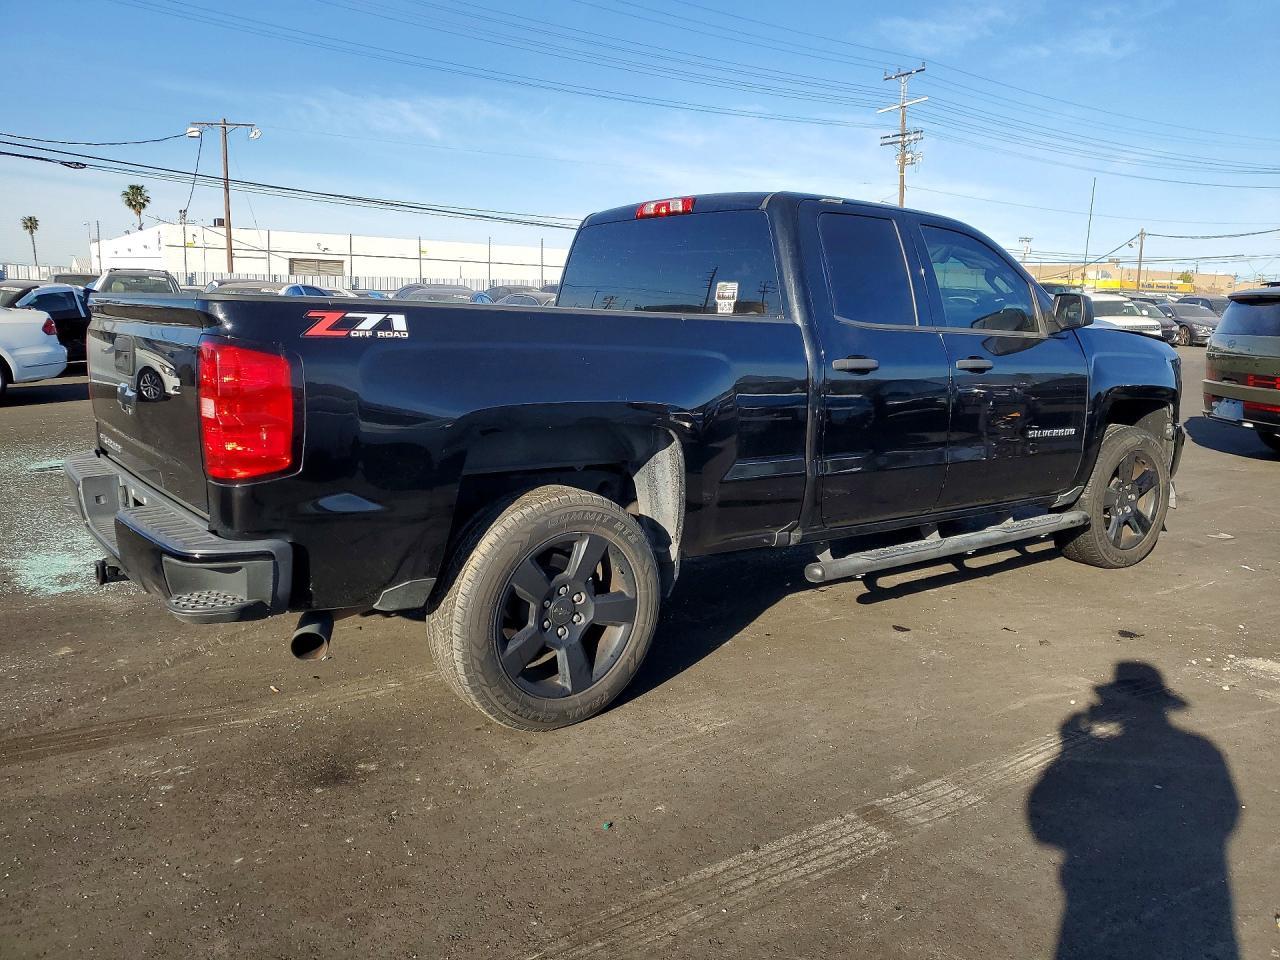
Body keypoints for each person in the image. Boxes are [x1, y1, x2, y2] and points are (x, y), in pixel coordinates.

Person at [1027, 661, 1240, 960]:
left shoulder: (1107, 749)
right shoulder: (1201, 748)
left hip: (1101, 895)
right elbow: (1226, 816)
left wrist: (1069, 747)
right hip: (1188, 895)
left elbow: (1043, 824)